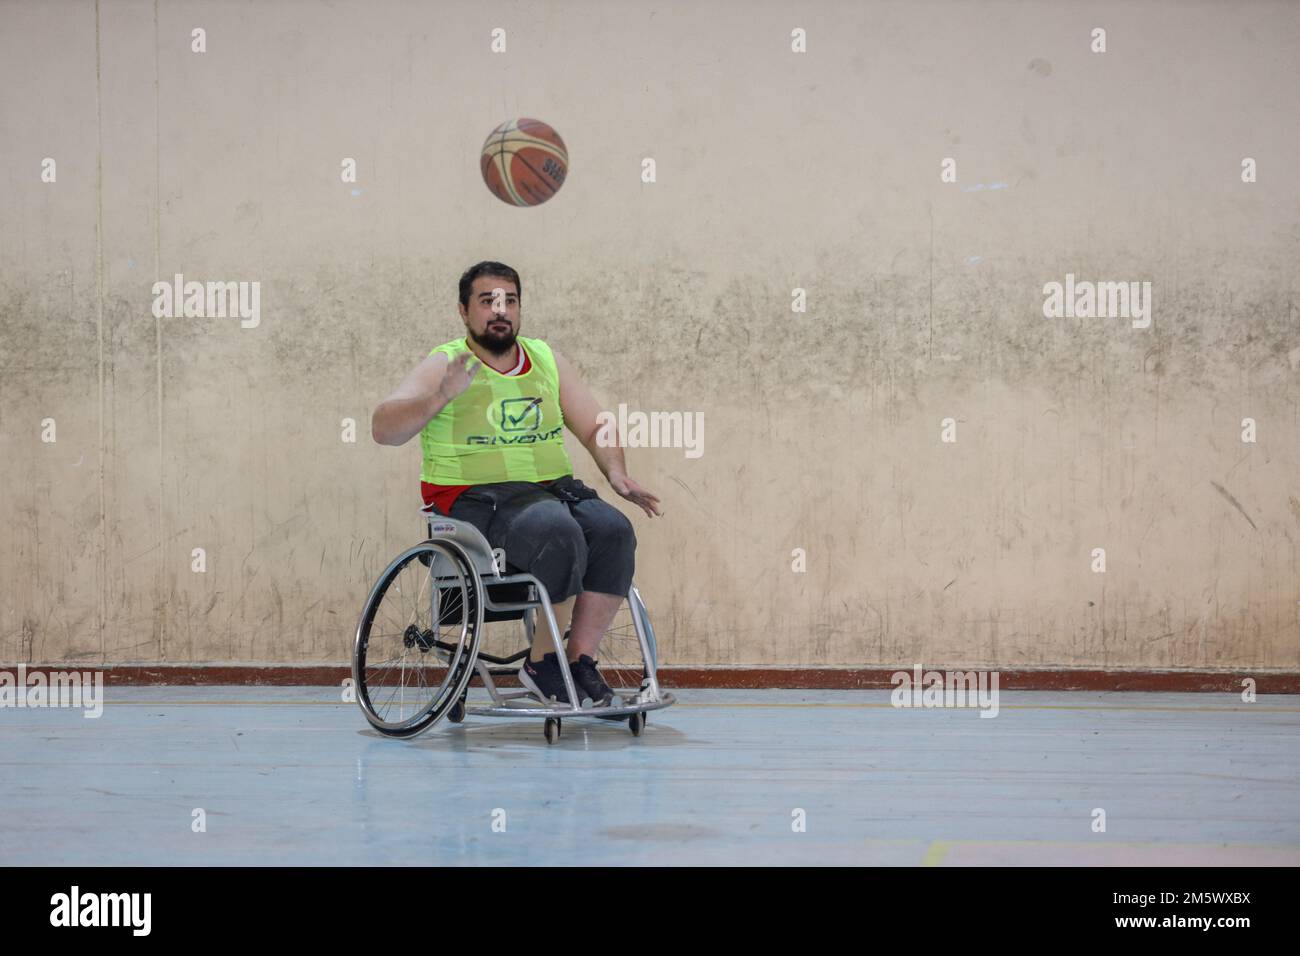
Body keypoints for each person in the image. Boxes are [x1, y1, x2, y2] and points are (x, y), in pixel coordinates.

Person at [371, 261, 662, 706]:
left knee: (613, 530)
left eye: (509, 300)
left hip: (547, 491)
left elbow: (594, 424)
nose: (499, 310)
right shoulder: (446, 363)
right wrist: (440, 396)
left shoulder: (545, 359)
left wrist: (616, 472)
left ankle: (577, 663)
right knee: (555, 527)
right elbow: (383, 429)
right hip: (470, 503)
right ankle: (544, 666)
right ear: (464, 312)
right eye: (487, 301)